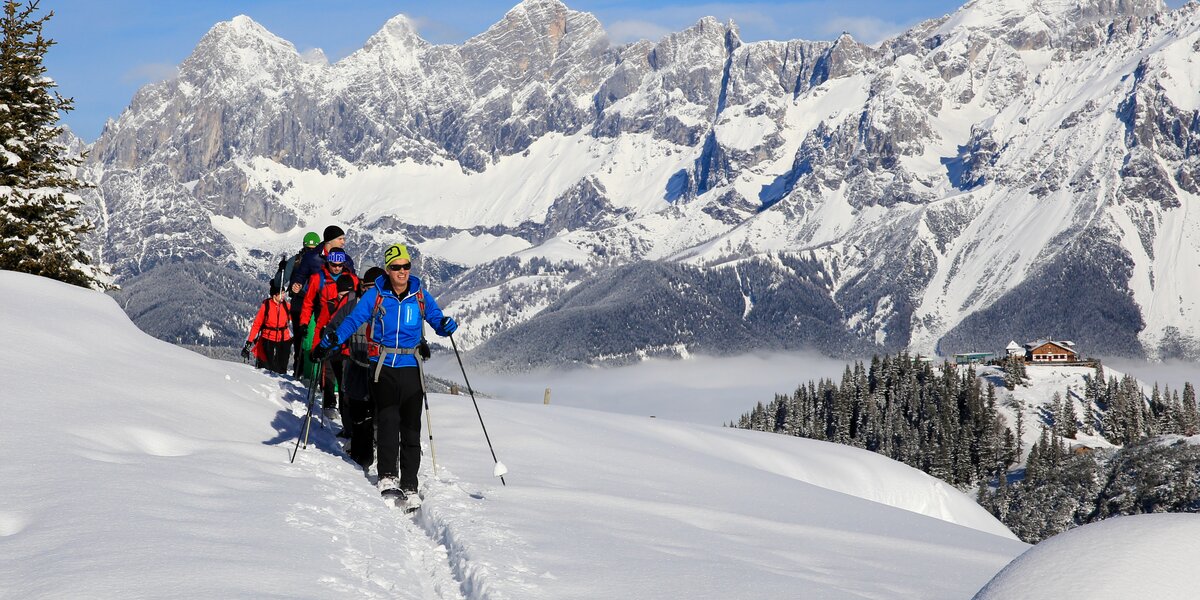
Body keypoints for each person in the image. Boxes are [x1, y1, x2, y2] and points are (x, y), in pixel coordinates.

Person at [312, 244, 458, 505]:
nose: (402, 271)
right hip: (383, 366)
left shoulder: (420, 295)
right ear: (388, 270)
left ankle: (410, 484)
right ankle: (388, 477)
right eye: (396, 267)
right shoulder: (376, 295)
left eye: (406, 266)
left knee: (411, 427)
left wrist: (447, 325)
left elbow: (436, 320)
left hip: (411, 366)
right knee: (389, 420)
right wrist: (331, 341)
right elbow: (354, 320)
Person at [324, 266, 385, 472]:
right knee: (359, 414)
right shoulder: (352, 307)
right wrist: (325, 345)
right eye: (368, 287)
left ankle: (379, 454)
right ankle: (362, 457)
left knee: (381, 413)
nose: (372, 292)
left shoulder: (391, 308)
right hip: (358, 367)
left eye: (376, 288)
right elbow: (334, 328)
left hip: (382, 369)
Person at [301, 248, 358, 421]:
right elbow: (308, 303)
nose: (337, 268)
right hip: (326, 322)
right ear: (328, 263)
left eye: (340, 265)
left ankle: (345, 408)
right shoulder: (318, 278)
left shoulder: (351, 279)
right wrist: (304, 323)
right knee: (328, 370)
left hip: (347, 332)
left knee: (345, 374)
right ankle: (329, 403)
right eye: (334, 265)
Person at [281, 232, 320, 378]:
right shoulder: (321, 262)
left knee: (300, 336)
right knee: (310, 335)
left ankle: (300, 367)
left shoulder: (296, 261)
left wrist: (282, 269)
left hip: (299, 302)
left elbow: (281, 281)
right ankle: (306, 369)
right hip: (310, 303)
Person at [243, 279, 292, 374]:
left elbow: (296, 317)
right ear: (275, 295)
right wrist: (249, 342)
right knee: (267, 367)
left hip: (284, 339)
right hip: (268, 339)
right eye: (281, 293)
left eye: (284, 293)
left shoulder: (286, 306)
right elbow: (257, 325)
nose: (284, 295)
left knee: (281, 368)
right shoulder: (266, 306)